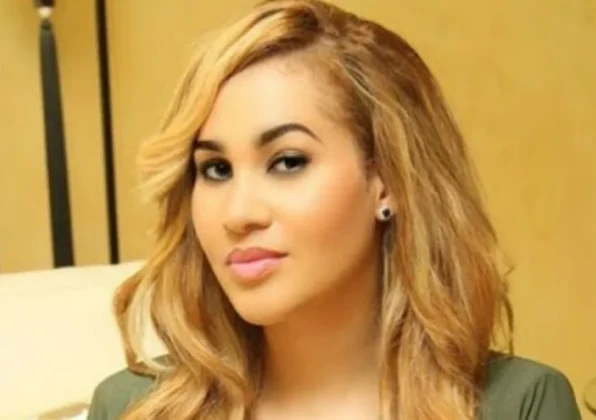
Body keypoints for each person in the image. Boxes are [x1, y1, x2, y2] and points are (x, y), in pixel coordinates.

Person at [87, 0, 581, 419]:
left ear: (388, 181)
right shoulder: (132, 408)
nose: (238, 213)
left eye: (287, 162)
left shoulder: (519, 404)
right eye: (216, 169)